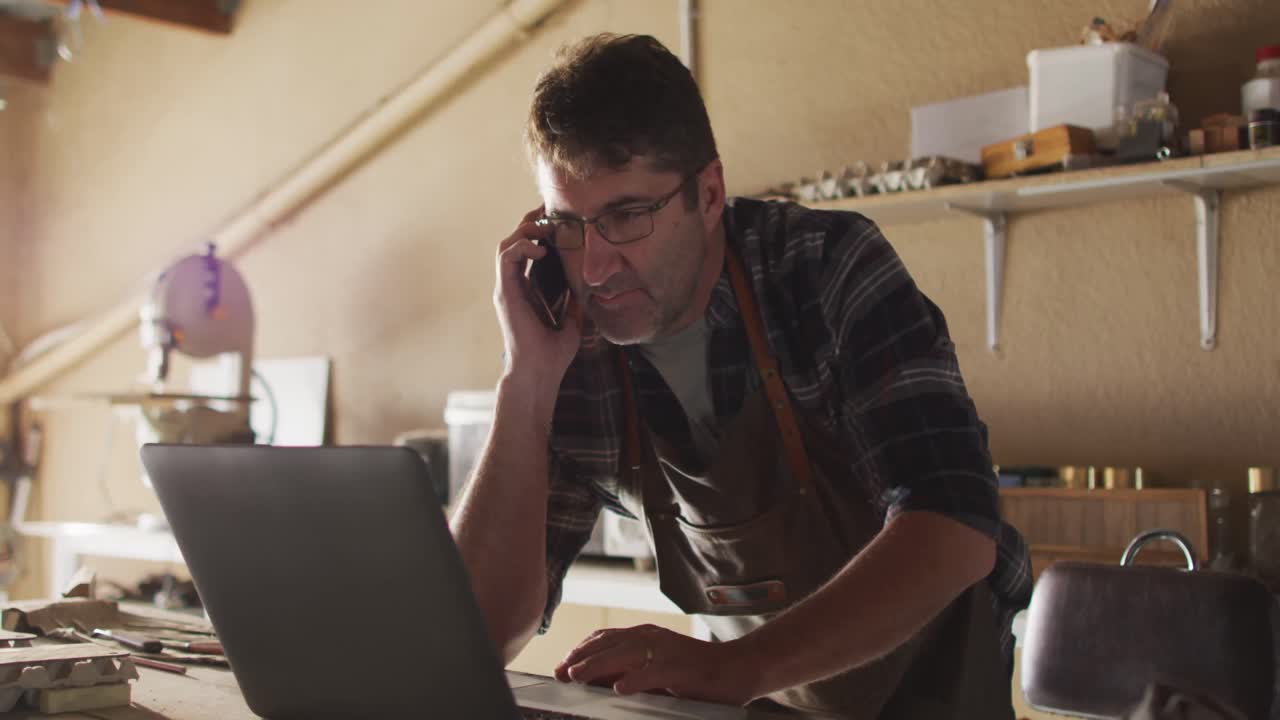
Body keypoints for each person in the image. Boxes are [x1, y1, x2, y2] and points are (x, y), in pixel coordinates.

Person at [451, 32, 1032, 719]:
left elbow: (955, 530)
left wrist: (736, 666)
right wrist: (525, 384)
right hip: (766, 703)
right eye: (569, 225)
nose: (596, 268)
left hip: (937, 690)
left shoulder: (823, 271)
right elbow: (471, 635)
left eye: (627, 216)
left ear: (710, 192)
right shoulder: (570, 340)